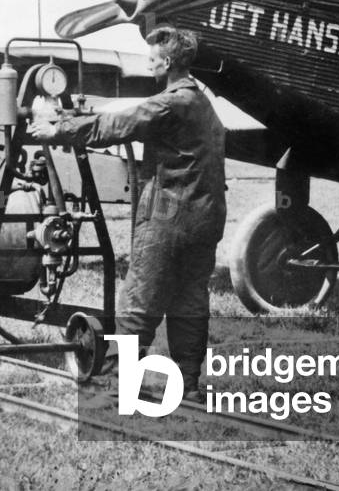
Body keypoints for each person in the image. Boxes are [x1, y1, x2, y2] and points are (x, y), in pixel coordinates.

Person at [29, 26, 226, 403]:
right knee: (189, 302)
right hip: (206, 219)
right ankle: (189, 384)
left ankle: (116, 384)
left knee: (138, 301)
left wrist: (57, 129)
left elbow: (119, 123)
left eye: (152, 58)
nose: (148, 63)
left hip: (169, 218)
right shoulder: (203, 104)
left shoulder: (171, 102)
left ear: (167, 63)